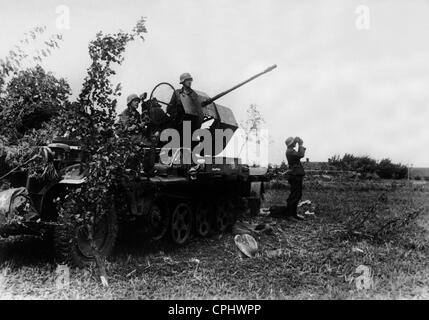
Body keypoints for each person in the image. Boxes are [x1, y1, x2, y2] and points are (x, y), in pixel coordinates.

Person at [285, 136, 306, 221]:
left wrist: (299, 144)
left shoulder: (291, 151)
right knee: (294, 195)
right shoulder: (290, 151)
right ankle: (290, 215)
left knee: (297, 194)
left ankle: (293, 214)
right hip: (295, 175)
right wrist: (300, 144)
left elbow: (299, 155)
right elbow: (301, 155)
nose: (295, 143)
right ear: (291, 144)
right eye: (294, 142)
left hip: (296, 174)